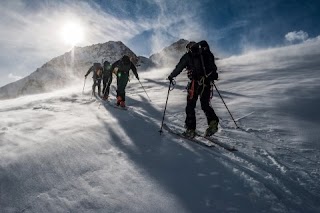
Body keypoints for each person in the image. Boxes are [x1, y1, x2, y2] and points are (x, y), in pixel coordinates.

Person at [167, 40, 219, 138]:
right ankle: (213, 123)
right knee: (205, 104)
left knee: (190, 106)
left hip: (194, 84)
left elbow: (179, 67)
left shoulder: (188, 56)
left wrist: (171, 76)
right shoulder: (205, 53)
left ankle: (190, 129)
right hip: (207, 83)